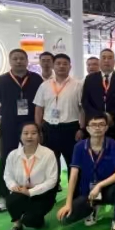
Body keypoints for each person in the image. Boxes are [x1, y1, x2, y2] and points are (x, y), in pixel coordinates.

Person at [56, 114, 115, 230]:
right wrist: (68, 203)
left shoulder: (113, 145)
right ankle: (93, 208)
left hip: (108, 191)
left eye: (101, 124)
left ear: (106, 128)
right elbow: (73, 176)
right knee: (64, 219)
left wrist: (100, 185)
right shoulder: (79, 147)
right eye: (94, 125)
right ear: (88, 128)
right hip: (88, 194)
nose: (97, 128)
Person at [0, 49, 43, 213]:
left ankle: (34, 192)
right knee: (6, 159)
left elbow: (42, 103)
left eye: (21, 58)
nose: (18, 61)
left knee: (34, 158)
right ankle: (3, 196)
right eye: (15, 59)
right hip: (9, 125)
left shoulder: (36, 79)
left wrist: (41, 126)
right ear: (10, 61)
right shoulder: (1, 80)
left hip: (31, 124)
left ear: (27, 61)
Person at [34, 53, 84, 189]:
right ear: (53, 66)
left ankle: (75, 193)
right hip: (49, 128)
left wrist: (81, 128)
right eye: (58, 63)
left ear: (70, 67)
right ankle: (51, 190)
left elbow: (82, 109)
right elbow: (39, 108)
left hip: (71, 129)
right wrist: (38, 130)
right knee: (50, 162)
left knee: (73, 162)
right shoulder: (44, 85)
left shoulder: (78, 85)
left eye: (65, 64)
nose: (61, 66)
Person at [3, 122, 58, 230]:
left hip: (43, 194)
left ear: (39, 135)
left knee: (31, 221)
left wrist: (31, 192)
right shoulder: (13, 155)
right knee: (11, 200)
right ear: (20, 136)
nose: (29, 136)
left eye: (33, 133)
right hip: (21, 191)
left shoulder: (48, 154)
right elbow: (7, 175)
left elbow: (52, 180)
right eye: (26, 133)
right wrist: (13, 186)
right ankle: (17, 225)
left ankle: (36, 218)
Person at [82, 48, 115, 155]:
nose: (106, 60)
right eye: (103, 58)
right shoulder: (90, 79)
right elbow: (85, 101)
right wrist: (100, 117)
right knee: (96, 153)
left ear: (114, 62)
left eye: (110, 58)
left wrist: (111, 115)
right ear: (99, 61)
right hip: (95, 124)